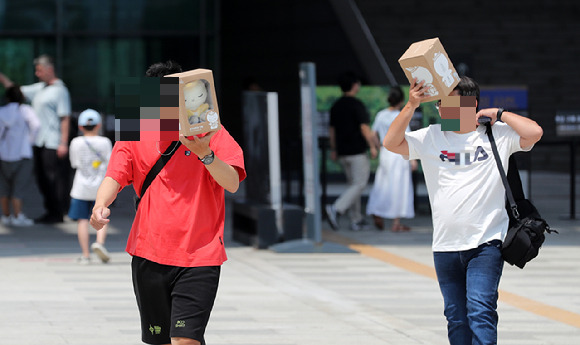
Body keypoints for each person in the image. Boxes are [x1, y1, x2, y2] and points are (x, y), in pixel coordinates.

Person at [90, 60, 246, 345]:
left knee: (184, 339)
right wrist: (100, 204)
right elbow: (116, 174)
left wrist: (206, 154)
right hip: (148, 252)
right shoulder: (136, 128)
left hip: (200, 254)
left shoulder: (212, 130)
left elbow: (232, 182)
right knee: (158, 340)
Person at [383, 76, 543, 345]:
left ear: (472, 105)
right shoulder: (432, 137)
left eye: (451, 105)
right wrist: (411, 104)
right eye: (441, 106)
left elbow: (535, 133)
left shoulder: (498, 135)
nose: (444, 111)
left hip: (486, 243)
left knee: (480, 311)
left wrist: (500, 114)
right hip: (445, 246)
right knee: (456, 317)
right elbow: (390, 143)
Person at [0, 55, 72, 223]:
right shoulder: (40, 89)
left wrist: (63, 142)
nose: (37, 74)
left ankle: (57, 211)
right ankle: (51, 210)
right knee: (42, 179)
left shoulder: (60, 90)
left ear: (49, 69)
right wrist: (2, 78)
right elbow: (15, 90)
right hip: (39, 142)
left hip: (53, 142)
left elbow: (65, 117)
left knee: (53, 178)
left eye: (39, 70)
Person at [325, 71, 378, 231]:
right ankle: (336, 208)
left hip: (342, 152)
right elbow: (364, 127)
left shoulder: (336, 106)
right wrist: (372, 146)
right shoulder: (357, 105)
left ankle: (356, 220)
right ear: (355, 85)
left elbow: (332, 130)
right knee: (359, 184)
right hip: (356, 152)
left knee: (353, 185)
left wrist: (333, 149)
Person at [366, 86, 416, 231]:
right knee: (399, 186)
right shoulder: (401, 115)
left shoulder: (381, 115)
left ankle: (377, 210)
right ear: (401, 100)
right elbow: (408, 137)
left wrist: (375, 147)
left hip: (385, 152)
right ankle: (396, 223)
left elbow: (372, 133)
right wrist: (413, 159)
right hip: (399, 154)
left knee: (382, 184)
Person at [68, 109, 112, 264]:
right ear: (98, 125)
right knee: (102, 215)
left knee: (82, 220)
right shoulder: (105, 142)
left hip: (80, 188)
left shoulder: (75, 142)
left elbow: (74, 163)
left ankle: (85, 255)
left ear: (80, 127)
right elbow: (110, 163)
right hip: (101, 187)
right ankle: (99, 244)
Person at [0, 85, 40, 226]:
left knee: (4, 187)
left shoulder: (2, 112)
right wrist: (29, 141)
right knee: (19, 186)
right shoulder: (26, 110)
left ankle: (6, 215)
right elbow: (36, 125)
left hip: (3, 154)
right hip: (23, 153)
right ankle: (18, 215)